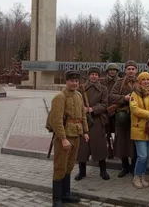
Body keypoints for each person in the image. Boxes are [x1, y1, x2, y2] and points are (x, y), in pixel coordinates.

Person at [49, 70, 89, 207]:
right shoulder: (60, 97)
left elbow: (83, 115)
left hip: (76, 135)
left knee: (70, 165)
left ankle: (66, 194)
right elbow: (56, 121)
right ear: (66, 81)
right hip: (65, 137)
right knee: (60, 166)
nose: (74, 83)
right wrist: (63, 138)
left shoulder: (78, 95)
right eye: (72, 81)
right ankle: (56, 198)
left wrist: (85, 131)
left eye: (77, 81)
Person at [75, 66, 109, 181]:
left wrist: (91, 109)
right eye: (92, 74)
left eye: (96, 74)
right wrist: (82, 108)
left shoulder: (103, 89)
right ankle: (82, 171)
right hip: (83, 121)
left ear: (99, 76)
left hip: (97, 120)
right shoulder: (81, 88)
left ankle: (103, 171)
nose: (94, 76)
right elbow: (76, 101)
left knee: (100, 147)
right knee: (82, 147)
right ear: (88, 75)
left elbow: (105, 104)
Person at [108, 60, 138, 178]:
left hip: (136, 116)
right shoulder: (120, 83)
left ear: (136, 70)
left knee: (135, 143)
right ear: (125, 70)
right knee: (122, 142)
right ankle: (124, 167)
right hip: (122, 116)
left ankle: (134, 166)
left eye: (133, 69)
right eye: (128, 69)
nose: (131, 71)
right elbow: (111, 96)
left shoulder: (141, 81)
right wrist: (124, 98)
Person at [100, 63, 120, 159]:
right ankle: (109, 149)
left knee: (118, 131)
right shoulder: (102, 82)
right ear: (107, 71)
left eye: (114, 70)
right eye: (110, 70)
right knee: (106, 131)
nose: (112, 71)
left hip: (117, 109)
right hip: (105, 109)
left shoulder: (120, 81)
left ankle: (117, 150)